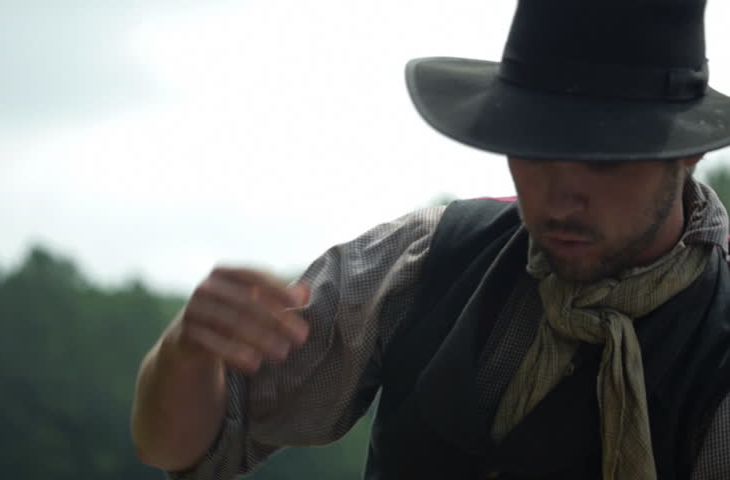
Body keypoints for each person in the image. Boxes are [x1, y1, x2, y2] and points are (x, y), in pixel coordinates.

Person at [131, 0, 730, 478]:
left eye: (605, 162)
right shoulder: (426, 256)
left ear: (688, 151)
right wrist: (189, 351)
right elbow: (180, 448)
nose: (559, 198)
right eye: (535, 151)